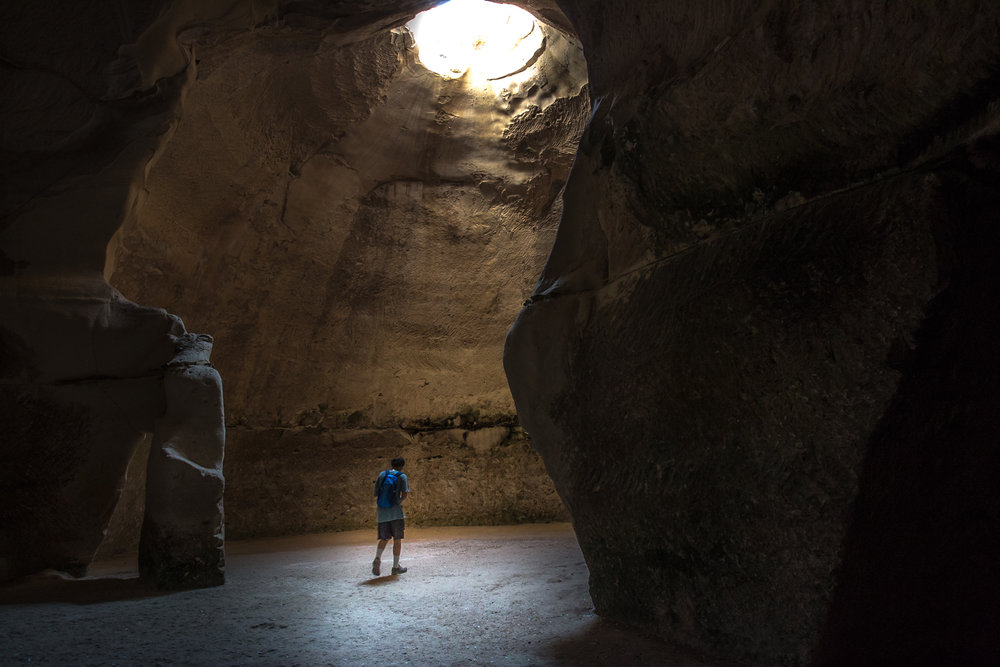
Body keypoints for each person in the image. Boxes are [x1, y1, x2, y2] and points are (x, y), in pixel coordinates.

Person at [372, 457, 410, 576]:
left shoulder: (382, 474)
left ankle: (377, 558)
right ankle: (395, 567)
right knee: (397, 539)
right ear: (402, 466)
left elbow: (376, 493)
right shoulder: (402, 476)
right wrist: (397, 502)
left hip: (382, 513)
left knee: (384, 538)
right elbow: (404, 494)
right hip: (395, 512)